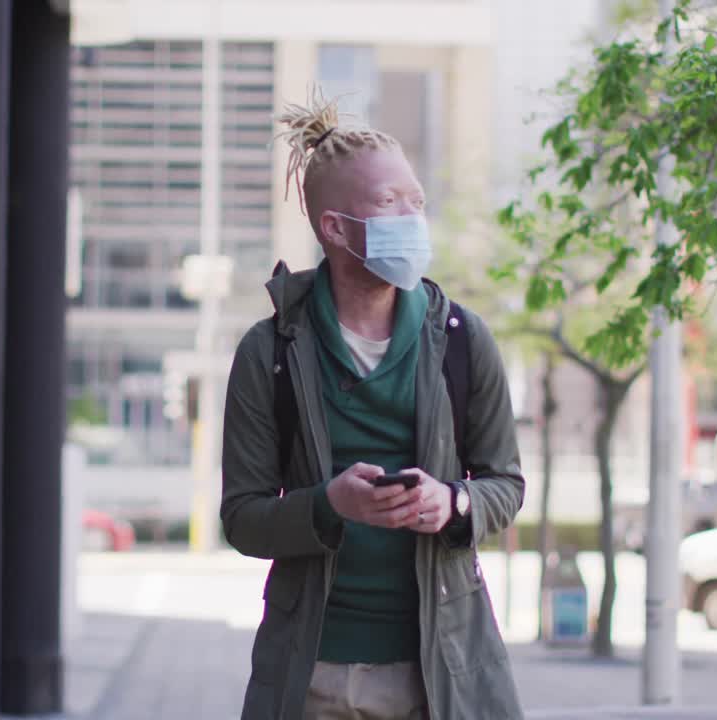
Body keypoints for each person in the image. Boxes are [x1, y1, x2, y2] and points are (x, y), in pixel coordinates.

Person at [220, 87, 525, 720]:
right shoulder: (268, 352)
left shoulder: (464, 341)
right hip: (312, 674)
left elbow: (506, 483)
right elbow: (244, 519)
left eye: (417, 201)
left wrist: (454, 501)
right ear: (334, 227)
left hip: (439, 674)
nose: (413, 218)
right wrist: (329, 504)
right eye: (391, 203)